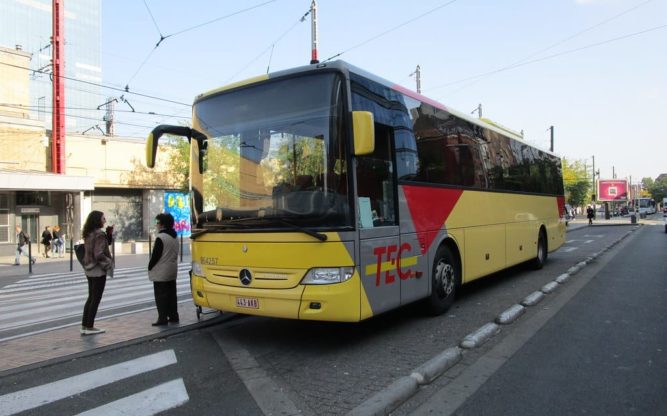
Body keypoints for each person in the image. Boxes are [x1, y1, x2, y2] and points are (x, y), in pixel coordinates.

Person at [80, 211, 114, 335]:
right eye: (103, 218)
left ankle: (84, 325)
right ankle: (89, 326)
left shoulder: (89, 233)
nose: (105, 220)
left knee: (91, 297)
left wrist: (109, 235)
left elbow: (100, 247)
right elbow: (99, 253)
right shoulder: (99, 234)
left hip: (89, 268)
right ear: (97, 220)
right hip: (98, 269)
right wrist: (109, 262)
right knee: (96, 299)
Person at [148, 212, 179, 326]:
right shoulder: (175, 236)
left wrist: (150, 266)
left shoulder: (161, 237)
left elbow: (155, 256)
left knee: (161, 296)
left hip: (161, 271)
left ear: (162, 224)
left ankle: (162, 318)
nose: (156, 224)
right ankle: (173, 315)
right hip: (172, 270)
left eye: (157, 222)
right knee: (171, 294)